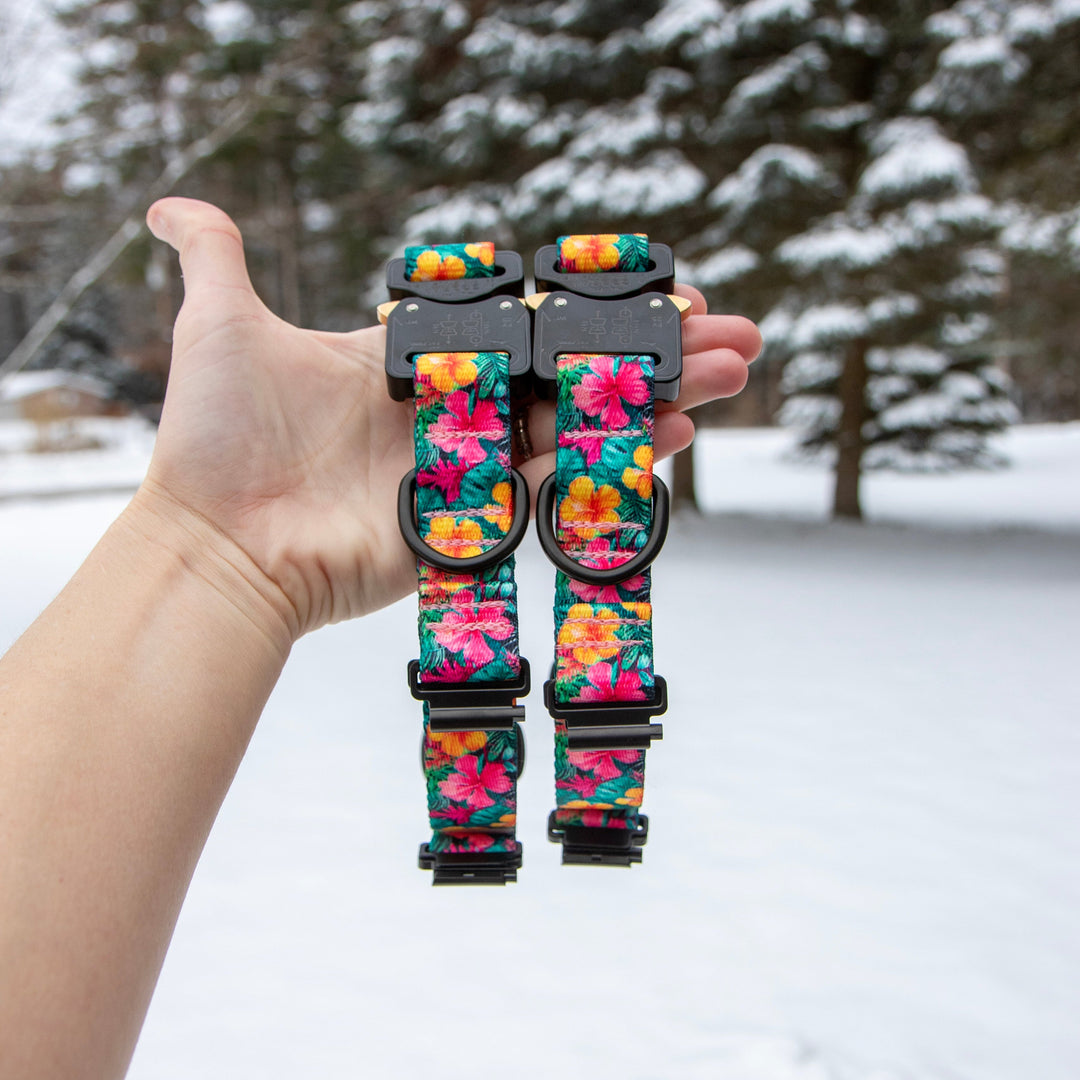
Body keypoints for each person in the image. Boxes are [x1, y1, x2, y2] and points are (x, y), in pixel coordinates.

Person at [0, 197, 762, 1079]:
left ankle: (521, 816)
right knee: (599, 552)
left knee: (596, 553)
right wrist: (212, 540)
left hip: (504, 487)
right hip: (510, 485)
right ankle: (523, 816)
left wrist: (206, 546)